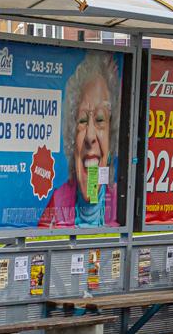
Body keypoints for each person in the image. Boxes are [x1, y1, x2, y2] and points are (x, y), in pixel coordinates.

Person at [39, 51, 121, 228]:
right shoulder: (55, 207)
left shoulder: (123, 205)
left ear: (112, 133)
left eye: (100, 120)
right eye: (82, 121)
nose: (90, 136)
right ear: (71, 135)